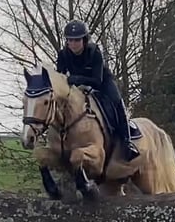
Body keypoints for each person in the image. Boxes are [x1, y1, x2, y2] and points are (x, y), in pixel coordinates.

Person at [56, 19, 140, 161]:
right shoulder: (63, 55)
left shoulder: (94, 52)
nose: (73, 44)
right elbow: (60, 77)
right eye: (70, 40)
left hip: (102, 82)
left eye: (77, 40)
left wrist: (76, 79)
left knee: (116, 101)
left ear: (84, 39)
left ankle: (127, 142)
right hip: (77, 87)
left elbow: (97, 80)